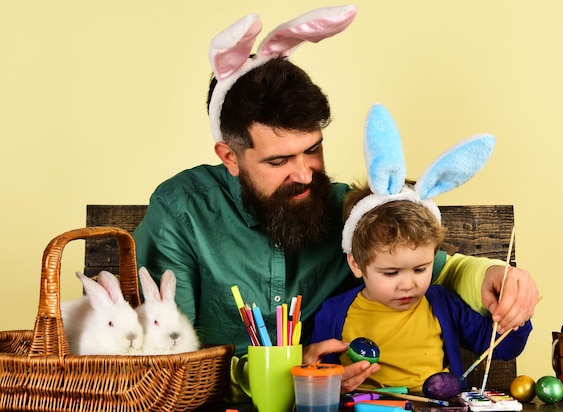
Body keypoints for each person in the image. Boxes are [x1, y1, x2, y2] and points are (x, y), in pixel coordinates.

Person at [132, 7, 538, 395]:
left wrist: (489, 275)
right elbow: (166, 355)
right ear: (229, 157)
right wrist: (284, 372)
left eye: (312, 149)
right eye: (279, 160)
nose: (305, 173)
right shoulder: (182, 211)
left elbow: (440, 270)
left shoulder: (348, 209)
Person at [311, 182, 533, 393]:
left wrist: (512, 320)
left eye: (420, 269)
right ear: (356, 264)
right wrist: (329, 383)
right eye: (391, 273)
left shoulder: (443, 303)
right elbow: (319, 376)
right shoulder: (333, 313)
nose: (408, 285)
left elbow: (501, 348)